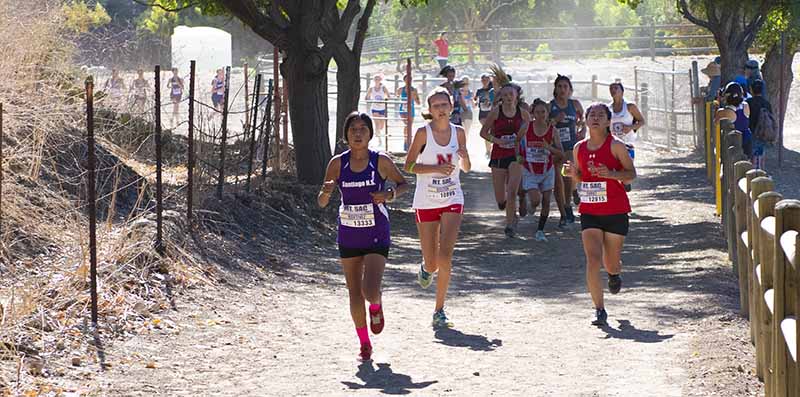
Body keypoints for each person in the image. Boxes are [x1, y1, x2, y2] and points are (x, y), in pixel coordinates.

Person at [318, 112, 410, 361]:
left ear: (370, 134)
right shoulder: (338, 163)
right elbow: (322, 201)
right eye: (353, 130)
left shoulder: (380, 161)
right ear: (346, 135)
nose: (358, 134)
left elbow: (403, 184)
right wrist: (326, 192)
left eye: (363, 129)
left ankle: (377, 305)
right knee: (354, 293)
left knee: (369, 291)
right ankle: (364, 344)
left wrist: (389, 195)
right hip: (348, 234)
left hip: (376, 232)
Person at [563, 103, 636, 327]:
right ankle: (599, 309)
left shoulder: (616, 146)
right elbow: (582, 177)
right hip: (590, 211)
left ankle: (614, 275)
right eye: (591, 115)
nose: (595, 118)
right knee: (593, 259)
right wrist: (573, 174)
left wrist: (612, 174)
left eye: (600, 115)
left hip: (615, 210)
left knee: (611, 263)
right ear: (585, 120)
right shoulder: (579, 148)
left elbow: (631, 175)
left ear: (607, 121)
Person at [404, 87, 471, 328]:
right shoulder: (423, 133)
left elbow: (467, 168)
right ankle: (425, 267)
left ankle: (439, 309)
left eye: (445, 104)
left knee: (446, 255)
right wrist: (433, 169)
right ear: (430, 111)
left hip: (453, 197)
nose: (441, 109)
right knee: (432, 262)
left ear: (451, 107)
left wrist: (464, 156)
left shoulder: (459, 132)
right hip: (426, 200)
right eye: (436, 106)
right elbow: (408, 166)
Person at [479, 82, 530, 237]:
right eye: (505, 95)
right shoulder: (496, 112)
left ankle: (509, 226)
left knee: (512, 191)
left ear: (516, 96)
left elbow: (526, 134)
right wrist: (497, 141)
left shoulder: (524, 114)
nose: (508, 97)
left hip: (516, 155)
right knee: (501, 200)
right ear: (501, 97)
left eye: (511, 94)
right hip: (498, 155)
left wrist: (519, 138)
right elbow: (483, 133)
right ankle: (510, 211)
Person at [517, 99, 563, 241]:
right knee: (536, 200)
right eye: (537, 112)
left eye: (543, 112)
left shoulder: (552, 130)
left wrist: (549, 148)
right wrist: (518, 155)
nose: (540, 115)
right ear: (533, 113)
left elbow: (561, 152)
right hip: (530, 169)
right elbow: (517, 141)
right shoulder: (526, 127)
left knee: (547, 200)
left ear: (547, 113)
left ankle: (540, 231)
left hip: (547, 169)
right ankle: (526, 200)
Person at [549, 75, 585, 227]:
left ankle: (568, 207)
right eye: (560, 87)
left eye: (565, 87)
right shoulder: (550, 106)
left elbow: (583, 121)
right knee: (559, 182)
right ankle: (564, 209)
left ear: (570, 90)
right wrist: (556, 120)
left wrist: (583, 131)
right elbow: (543, 125)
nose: (562, 90)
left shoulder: (575, 104)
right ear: (555, 89)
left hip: (571, 145)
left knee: (567, 176)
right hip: (555, 147)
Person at [607, 82, 645, 192]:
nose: (613, 90)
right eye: (611, 88)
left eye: (616, 88)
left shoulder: (630, 107)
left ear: (622, 91)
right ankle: (617, 190)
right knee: (612, 170)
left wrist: (630, 127)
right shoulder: (607, 109)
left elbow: (642, 121)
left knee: (627, 172)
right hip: (613, 144)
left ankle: (625, 184)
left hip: (627, 144)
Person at [715, 82, 752, 158]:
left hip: (731, 145)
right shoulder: (746, 106)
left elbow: (715, 124)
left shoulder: (723, 112)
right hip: (747, 141)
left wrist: (719, 101)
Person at [746, 79, 772, 169]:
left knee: (753, 155)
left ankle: (754, 175)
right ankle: (761, 173)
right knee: (761, 154)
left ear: (751, 90)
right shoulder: (767, 104)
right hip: (763, 132)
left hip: (751, 132)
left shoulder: (748, 102)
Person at [397, 74, 421, 152]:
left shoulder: (414, 89)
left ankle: (407, 141)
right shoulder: (401, 89)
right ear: (404, 80)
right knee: (407, 124)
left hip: (411, 109)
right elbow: (396, 97)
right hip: (403, 109)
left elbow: (418, 102)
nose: (408, 81)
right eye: (406, 79)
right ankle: (406, 141)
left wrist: (414, 97)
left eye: (410, 79)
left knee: (409, 125)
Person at [365, 74, 391, 144]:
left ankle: (377, 133)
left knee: (381, 126)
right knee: (377, 125)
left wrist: (384, 99)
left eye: (378, 79)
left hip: (382, 108)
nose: (377, 80)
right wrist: (371, 100)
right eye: (375, 79)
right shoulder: (371, 88)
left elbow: (389, 96)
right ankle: (379, 139)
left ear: (380, 80)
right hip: (375, 108)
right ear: (373, 80)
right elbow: (366, 97)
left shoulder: (383, 88)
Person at [475, 74, 495, 158]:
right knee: (487, 130)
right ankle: (488, 151)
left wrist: (489, 102)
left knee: (491, 131)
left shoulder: (492, 90)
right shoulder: (479, 91)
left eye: (486, 80)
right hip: (482, 114)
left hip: (491, 113)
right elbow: (475, 99)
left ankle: (490, 150)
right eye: (483, 80)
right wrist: (476, 102)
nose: (484, 82)